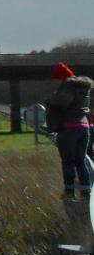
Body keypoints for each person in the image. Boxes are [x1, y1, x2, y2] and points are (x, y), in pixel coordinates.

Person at [45, 62, 93, 198]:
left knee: (68, 162)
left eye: (57, 79)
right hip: (84, 128)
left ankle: (69, 191)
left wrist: (50, 99)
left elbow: (62, 100)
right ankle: (86, 190)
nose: (56, 82)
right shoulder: (84, 88)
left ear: (62, 77)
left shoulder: (68, 86)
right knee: (80, 160)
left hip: (69, 129)